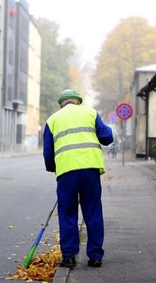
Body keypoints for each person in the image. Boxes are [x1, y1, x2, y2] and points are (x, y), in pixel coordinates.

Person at [43, 89, 113, 269]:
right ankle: (95, 256)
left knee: (67, 214)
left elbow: (48, 154)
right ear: (77, 101)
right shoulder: (90, 112)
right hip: (90, 171)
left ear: (61, 103)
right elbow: (107, 137)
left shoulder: (53, 119)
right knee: (93, 212)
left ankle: (69, 257)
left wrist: (54, 169)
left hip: (66, 172)